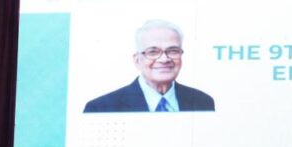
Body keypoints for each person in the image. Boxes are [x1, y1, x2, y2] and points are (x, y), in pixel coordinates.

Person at [84, 20, 215, 113]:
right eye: (152, 52)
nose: (164, 59)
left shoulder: (203, 102)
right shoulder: (101, 108)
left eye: (173, 51)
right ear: (137, 60)